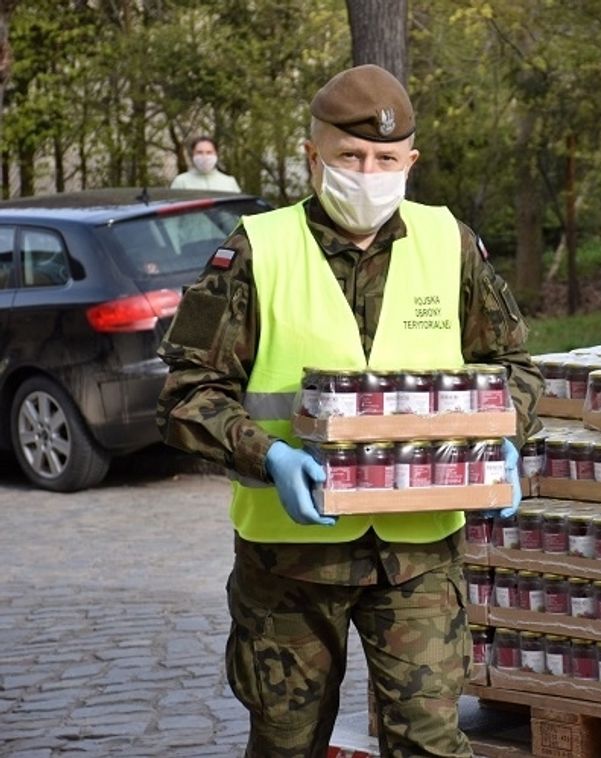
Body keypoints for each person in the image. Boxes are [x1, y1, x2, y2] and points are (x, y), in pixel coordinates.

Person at [156, 64, 542, 757]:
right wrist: (267, 456)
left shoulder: (449, 244)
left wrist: (502, 432)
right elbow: (188, 393)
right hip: (289, 567)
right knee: (286, 744)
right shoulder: (257, 251)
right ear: (313, 155)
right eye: (350, 156)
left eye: (385, 159)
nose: (368, 172)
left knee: (430, 742)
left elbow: (514, 366)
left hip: (417, 555)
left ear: (410, 161)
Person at [170, 136, 242, 192]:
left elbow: (239, 207)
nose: (204, 157)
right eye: (199, 152)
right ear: (193, 154)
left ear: (216, 154)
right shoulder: (181, 181)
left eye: (209, 152)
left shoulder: (229, 182)